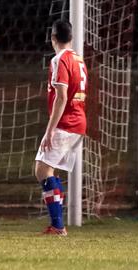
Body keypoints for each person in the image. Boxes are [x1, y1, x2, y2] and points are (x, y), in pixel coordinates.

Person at [35, 20, 88, 236]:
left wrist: (50, 130)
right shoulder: (79, 59)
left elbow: (61, 97)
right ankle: (57, 224)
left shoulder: (60, 60)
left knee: (42, 169)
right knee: (48, 170)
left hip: (67, 122)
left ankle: (58, 226)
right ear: (71, 37)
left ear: (53, 38)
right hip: (78, 122)